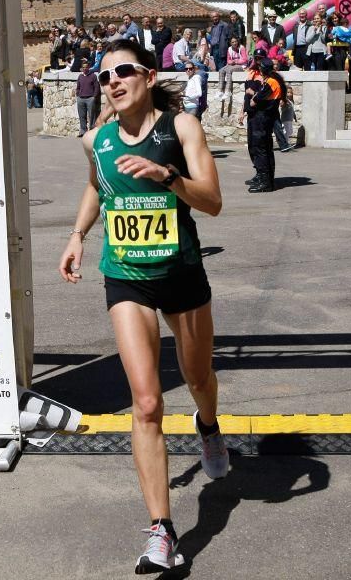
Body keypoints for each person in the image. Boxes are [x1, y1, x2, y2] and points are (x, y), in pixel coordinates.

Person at [60, 38, 225, 574]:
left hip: (180, 275)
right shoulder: (97, 140)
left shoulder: (181, 129)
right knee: (147, 403)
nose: (112, 81)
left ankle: (207, 425)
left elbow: (214, 201)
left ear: (148, 76)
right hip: (126, 277)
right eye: (103, 75)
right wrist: (78, 234)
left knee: (198, 377)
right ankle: (163, 530)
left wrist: (169, 178)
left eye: (123, 71)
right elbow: (97, 187)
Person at [239, 53, 282, 192]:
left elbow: (256, 99)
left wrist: (254, 97)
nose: (258, 64)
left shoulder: (271, 82)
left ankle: (266, 181)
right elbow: (253, 98)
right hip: (259, 117)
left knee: (262, 148)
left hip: (263, 118)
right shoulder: (267, 79)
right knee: (259, 148)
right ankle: (263, 177)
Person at [217, 36, 249, 101]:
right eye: (232, 42)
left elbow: (245, 60)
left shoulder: (241, 48)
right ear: (230, 43)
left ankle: (228, 91)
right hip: (232, 64)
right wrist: (231, 62)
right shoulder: (229, 49)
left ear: (238, 41)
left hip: (241, 66)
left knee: (229, 70)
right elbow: (228, 60)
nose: (234, 43)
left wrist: (236, 61)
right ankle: (220, 90)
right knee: (221, 70)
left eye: (235, 41)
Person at [76, 60, 100, 137]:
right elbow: (78, 87)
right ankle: (83, 131)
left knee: (92, 116)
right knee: (82, 116)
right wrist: (78, 94)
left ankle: (92, 130)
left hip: (90, 98)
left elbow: (97, 87)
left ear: (89, 67)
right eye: (83, 67)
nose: (85, 69)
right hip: (81, 98)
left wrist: (94, 96)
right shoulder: (80, 76)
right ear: (81, 68)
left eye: (86, 67)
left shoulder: (93, 76)